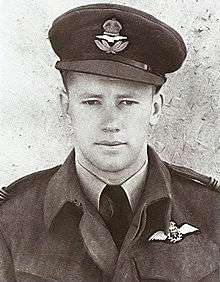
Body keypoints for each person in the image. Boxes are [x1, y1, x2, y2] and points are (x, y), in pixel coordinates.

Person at [0, 3, 219, 282]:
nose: (110, 123)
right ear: (66, 106)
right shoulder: (11, 221)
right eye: (92, 102)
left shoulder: (211, 212)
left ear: (155, 109)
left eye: (127, 102)